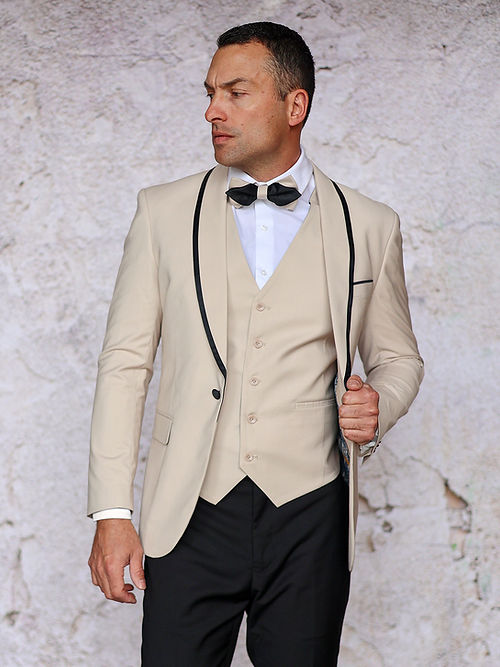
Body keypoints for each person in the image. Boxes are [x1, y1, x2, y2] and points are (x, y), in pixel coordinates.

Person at [87, 21, 424, 666]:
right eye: (210, 93)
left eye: (236, 93)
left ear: (295, 105)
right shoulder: (162, 212)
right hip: (189, 511)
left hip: (310, 514)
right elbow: (124, 364)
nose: (213, 111)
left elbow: (398, 357)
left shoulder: (369, 226)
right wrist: (111, 511)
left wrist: (380, 402)